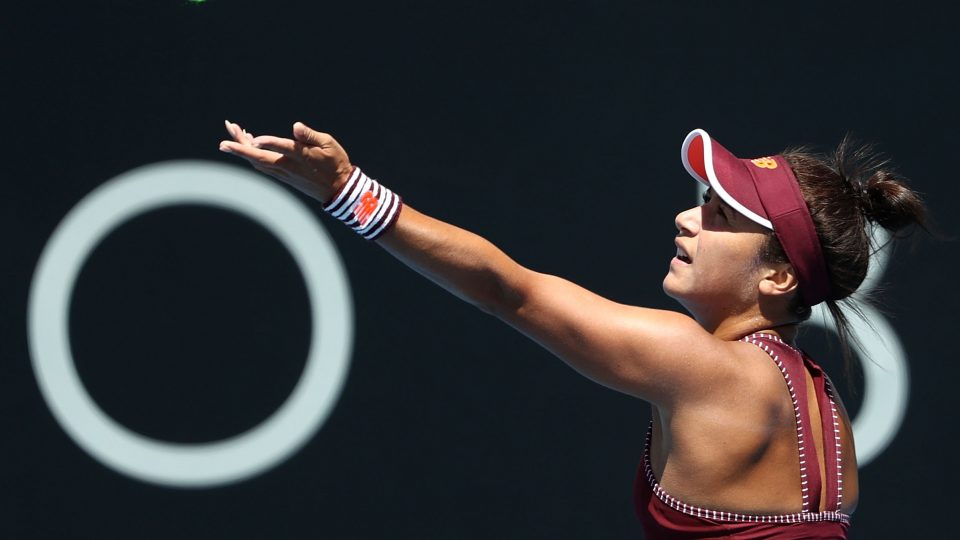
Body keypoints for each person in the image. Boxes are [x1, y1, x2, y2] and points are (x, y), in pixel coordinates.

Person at [219, 120, 926, 538]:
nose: (687, 218)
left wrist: (347, 191)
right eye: (701, 202)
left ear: (778, 278)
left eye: (721, 217)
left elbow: (509, 291)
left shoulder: (708, 368)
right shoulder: (823, 405)